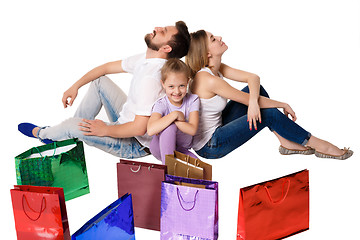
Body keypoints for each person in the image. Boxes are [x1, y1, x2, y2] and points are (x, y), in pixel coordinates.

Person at [18, 21, 191, 159]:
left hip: (134, 143)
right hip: (125, 121)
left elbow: (139, 128)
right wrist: (75, 86)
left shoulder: (152, 78)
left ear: (166, 48)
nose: (157, 28)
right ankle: (71, 134)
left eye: (163, 31)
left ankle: (44, 133)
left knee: (71, 125)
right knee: (99, 82)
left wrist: (105, 130)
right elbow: (106, 68)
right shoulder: (146, 59)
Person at [185, 30, 353, 160]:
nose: (220, 37)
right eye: (213, 39)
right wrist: (282, 104)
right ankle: (320, 145)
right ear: (207, 54)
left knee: (257, 92)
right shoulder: (207, 79)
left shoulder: (216, 68)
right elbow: (247, 100)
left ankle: (286, 142)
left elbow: (253, 78)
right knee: (268, 114)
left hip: (218, 128)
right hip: (211, 145)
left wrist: (253, 102)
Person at [147, 58, 199, 164]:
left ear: (188, 82)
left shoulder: (193, 100)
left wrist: (173, 120)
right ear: (163, 84)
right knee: (170, 127)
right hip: (159, 147)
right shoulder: (161, 104)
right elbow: (151, 130)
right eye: (171, 86)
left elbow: (192, 129)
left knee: (202, 171)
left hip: (180, 150)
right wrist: (175, 114)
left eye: (182, 86)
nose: (177, 91)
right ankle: (168, 171)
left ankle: (171, 168)